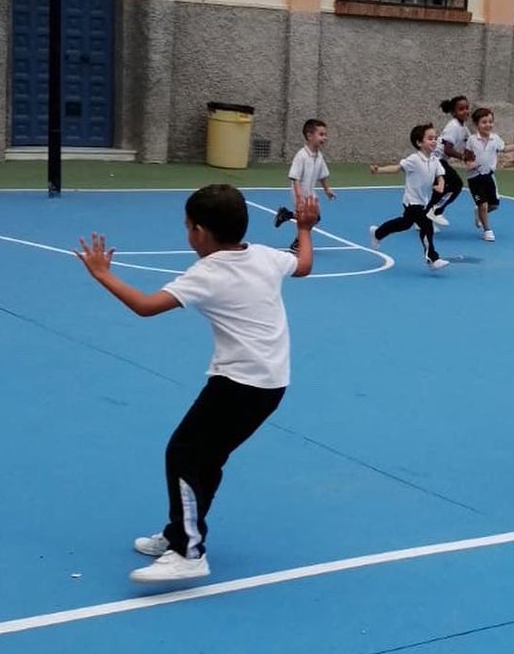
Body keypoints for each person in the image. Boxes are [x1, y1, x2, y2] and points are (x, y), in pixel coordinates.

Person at [75, 185, 319, 583]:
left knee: (184, 453)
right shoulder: (263, 255)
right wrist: (305, 228)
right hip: (270, 382)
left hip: (241, 382)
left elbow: (146, 306)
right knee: (205, 458)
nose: (187, 234)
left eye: (188, 227)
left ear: (200, 233)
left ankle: (189, 552)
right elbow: (304, 264)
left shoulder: (208, 272)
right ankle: (181, 532)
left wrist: (103, 275)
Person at [369, 123, 449, 270]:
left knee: (405, 224)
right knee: (427, 225)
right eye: (430, 138)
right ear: (419, 142)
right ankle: (432, 258)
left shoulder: (434, 160)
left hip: (423, 201)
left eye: (435, 138)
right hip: (412, 202)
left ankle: (377, 233)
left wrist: (441, 184)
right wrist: (378, 170)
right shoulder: (414, 159)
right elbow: (397, 168)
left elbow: (440, 174)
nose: (434, 141)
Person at [464, 106, 514, 242]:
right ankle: (487, 229)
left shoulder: (495, 139)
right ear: (477, 124)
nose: (488, 125)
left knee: (493, 205)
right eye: (484, 122)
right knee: (483, 204)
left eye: (490, 121)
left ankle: (479, 213)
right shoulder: (472, 140)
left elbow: (505, 148)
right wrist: (470, 165)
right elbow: (467, 158)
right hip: (475, 178)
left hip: (489, 177)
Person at [273, 118, 335, 249]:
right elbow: (295, 178)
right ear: (309, 135)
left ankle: (285, 215)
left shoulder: (319, 156)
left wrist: (327, 190)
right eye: (321, 134)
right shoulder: (301, 156)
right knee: (308, 219)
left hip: (311, 193)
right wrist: (299, 197)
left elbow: (322, 175)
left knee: (315, 218)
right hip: (299, 192)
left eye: (325, 134)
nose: (325, 138)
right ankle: (297, 243)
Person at [426, 95, 470, 228]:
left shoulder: (464, 128)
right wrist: (463, 157)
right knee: (456, 184)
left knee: (439, 190)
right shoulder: (453, 126)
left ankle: (423, 218)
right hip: (435, 160)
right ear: (453, 112)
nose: (466, 111)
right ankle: (436, 211)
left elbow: (470, 144)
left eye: (467, 108)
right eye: (461, 109)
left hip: (436, 160)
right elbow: (448, 150)